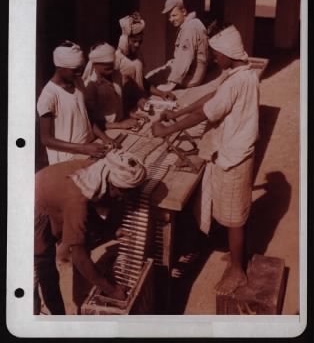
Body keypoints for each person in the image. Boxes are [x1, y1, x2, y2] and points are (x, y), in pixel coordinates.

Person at [152, 25, 259, 295]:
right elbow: (210, 97)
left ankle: (238, 271)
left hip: (234, 155)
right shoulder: (238, 73)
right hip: (231, 149)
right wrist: (176, 115)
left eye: (215, 54)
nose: (213, 59)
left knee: (234, 218)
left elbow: (206, 113)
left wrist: (166, 129)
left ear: (226, 53)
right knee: (227, 210)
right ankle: (234, 255)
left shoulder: (238, 81)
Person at [34, 150, 146, 315]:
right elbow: (78, 258)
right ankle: (54, 318)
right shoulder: (76, 202)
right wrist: (111, 290)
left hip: (49, 189)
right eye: (124, 192)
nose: (125, 198)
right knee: (43, 267)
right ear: (112, 184)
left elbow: (91, 204)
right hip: (33, 203)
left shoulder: (98, 170)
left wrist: (111, 231)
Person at [37, 41, 112, 165]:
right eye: (75, 70)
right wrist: (83, 148)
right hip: (67, 159)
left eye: (80, 69)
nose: (79, 73)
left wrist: (105, 138)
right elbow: (46, 139)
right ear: (60, 68)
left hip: (89, 149)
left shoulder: (78, 83)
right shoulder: (49, 95)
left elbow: (86, 117)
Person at [145, 0, 209, 98]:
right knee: (152, 75)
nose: (170, 19)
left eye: (174, 15)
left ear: (183, 11)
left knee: (149, 83)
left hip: (191, 76)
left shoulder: (190, 28)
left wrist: (171, 84)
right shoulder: (191, 24)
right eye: (169, 16)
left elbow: (185, 59)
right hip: (189, 70)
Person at [82, 42, 146, 131]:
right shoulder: (90, 85)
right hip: (105, 130)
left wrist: (129, 113)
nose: (111, 66)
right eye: (106, 63)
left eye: (112, 62)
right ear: (95, 63)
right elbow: (89, 121)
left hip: (121, 124)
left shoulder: (116, 75)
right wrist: (119, 125)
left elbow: (117, 103)